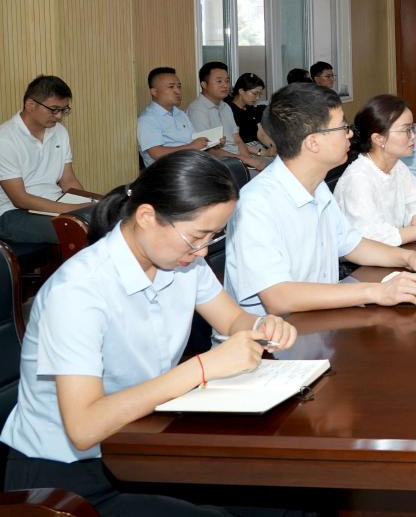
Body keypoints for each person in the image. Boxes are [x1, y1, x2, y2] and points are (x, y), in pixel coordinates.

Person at [0, 151, 299, 515]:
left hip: (140, 444)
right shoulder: (78, 291)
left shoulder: (181, 262)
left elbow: (232, 319)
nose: (203, 250)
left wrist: (260, 325)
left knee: (291, 497)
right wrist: (201, 368)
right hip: (68, 479)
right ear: (146, 217)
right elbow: (84, 426)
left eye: (213, 236)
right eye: (197, 236)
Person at [224, 83, 416, 317]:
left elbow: (352, 244)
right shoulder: (257, 204)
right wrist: (376, 292)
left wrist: (410, 258)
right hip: (273, 333)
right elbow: (279, 298)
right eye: (343, 127)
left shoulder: (317, 187)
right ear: (313, 142)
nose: (350, 134)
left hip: (316, 319)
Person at [333, 94, 416, 246]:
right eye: (406, 130)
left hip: (395, 252)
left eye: (413, 128)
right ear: (379, 138)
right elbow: (371, 239)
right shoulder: (358, 179)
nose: (413, 136)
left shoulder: (396, 166)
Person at [0, 76, 98, 245]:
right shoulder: (5, 139)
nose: (58, 116)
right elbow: (20, 199)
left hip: (54, 204)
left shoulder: (59, 132)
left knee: (111, 219)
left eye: (63, 110)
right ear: (30, 105)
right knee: (78, 230)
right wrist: (73, 210)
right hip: (13, 213)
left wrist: (88, 204)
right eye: (54, 109)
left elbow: (68, 180)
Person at [186, 62, 268, 177]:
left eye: (227, 81)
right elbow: (208, 150)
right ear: (204, 84)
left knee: (274, 166)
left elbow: (237, 139)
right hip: (220, 162)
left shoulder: (225, 107)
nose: (225, 85)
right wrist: (244, 160)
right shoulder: (197, 110)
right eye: (219, 81)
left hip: (237, 158)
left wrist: (248, 160)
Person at [137, 67, 215, 167]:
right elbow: (157, 153)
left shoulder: (180, 114)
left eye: (179, 86)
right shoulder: (147, 119)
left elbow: (194, 140)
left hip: (192, 164)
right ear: (154, 92)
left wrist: (213, 142)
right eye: (171, 87)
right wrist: (191, 147)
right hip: (168, 171)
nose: (178, 91)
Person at [228, 72, 274, 155]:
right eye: (255, 93)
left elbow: (261, 134)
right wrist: (262, 152)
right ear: (241, 91)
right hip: (242, 151)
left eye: (260, 94)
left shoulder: (250, 108)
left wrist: (274, 147)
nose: (257, 97)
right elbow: (235, 142)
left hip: (257, 147)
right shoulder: (229, 110)